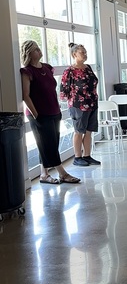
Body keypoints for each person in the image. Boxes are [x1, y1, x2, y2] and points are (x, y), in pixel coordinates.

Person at [21, 40, 78, 184]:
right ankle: (63, 173)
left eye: (39, 48)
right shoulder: (27, 71)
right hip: (40, 115)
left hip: (54, 111)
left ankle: (44, 175)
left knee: (48, 145)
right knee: (49, 146)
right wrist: (36, 114)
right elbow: (25, 95)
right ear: (29, 53)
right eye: (35, 50)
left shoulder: (47, 68)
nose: (39, 51)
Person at [60, 42, 101, 168]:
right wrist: (71, 103)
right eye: (82, 52)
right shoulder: (70, 71)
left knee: (89, 131)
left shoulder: (88, 67)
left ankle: (87, 155)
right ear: (74, 54)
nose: (85, 54)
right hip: (78, 105)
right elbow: (63, 90)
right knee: (79, 131)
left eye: (85, 52)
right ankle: (77, 157)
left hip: (92, 103)